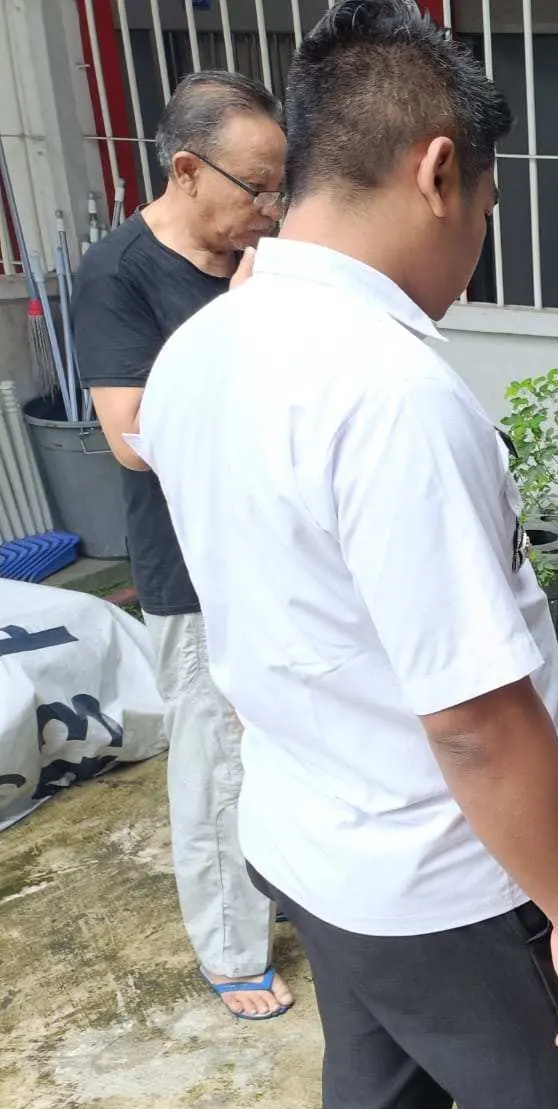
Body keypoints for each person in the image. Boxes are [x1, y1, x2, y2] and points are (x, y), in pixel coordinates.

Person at [134, 2, 558, 1109]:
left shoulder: (200, 352)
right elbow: (473, 719)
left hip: (310, 843)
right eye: (486, 213)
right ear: (438, 172)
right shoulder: (392, 394)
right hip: (446, 877)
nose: (476, 247)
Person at [73, 71, 292, 1020]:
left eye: (281, 187)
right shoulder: (118, 274)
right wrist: (240, 319)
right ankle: (233, 949)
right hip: (194, 568)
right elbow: (132, 439)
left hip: (281, 553)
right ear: (188, 170)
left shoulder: (264, 256)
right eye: (257, 189)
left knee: (288, 742)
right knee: (215, 764)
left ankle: (293, 889)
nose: (271, 210)